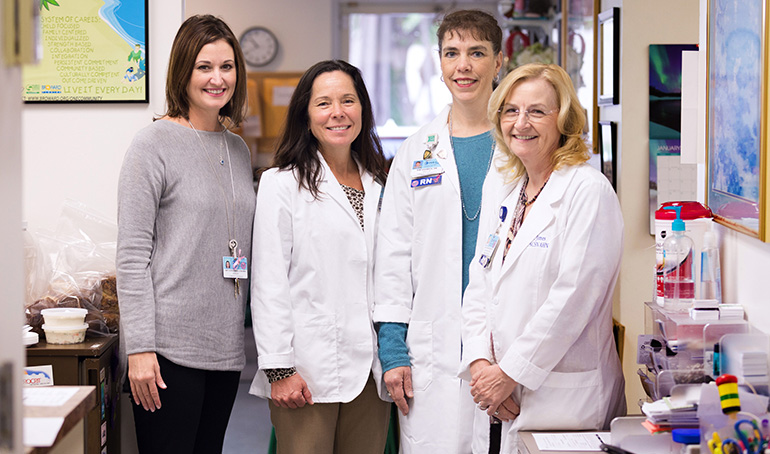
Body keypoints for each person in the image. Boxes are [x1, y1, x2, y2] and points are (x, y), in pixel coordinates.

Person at [460, 63, 626, 453]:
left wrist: (510, 373)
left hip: (562, 399)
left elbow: (573, 299)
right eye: (511, 110)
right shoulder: (508, 190)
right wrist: (481, 365)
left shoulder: (587, 191)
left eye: (537, 111)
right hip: (496, 395)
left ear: (563, 120)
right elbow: (480, 284)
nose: (521, 123)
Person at [116, 15, 254, 454]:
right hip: (167, 352)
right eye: (204, 67)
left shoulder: (237, 148)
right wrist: (139, 349)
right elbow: (133, 255)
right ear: (183, 72)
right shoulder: (152, 144)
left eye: (227, 67)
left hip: (226, 348)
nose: (218, 79)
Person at [373, 9, 503, 453]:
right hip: (432, 350)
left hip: (504, 347)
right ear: (440, 62)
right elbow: (392, 257)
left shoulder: (520, 145)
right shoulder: (414, 153)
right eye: (452, 53)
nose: (463, 65)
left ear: (498, 62)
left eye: (476, 53)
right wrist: (392, 350)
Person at [249, 60, 391, 454]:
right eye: (324, 103)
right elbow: (269, 282)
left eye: (348, 100)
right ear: (306, 114)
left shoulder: (380, 184)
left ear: (362, 108)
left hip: (370, 371)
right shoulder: (281, 183)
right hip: (307, 371)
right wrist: (279, 369)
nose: (337, 112)